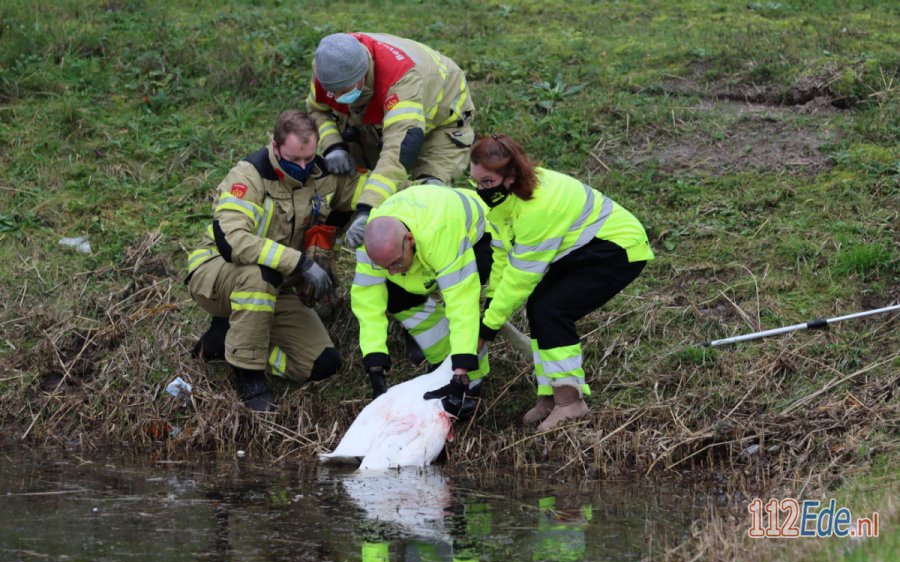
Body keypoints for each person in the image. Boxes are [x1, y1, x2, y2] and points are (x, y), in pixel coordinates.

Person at [470, 134, 654, 432]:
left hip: (617, 250)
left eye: (487, 183)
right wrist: (491, 303)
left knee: (552, 310)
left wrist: (487, 329)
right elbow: (503, 255)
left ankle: (571, 403)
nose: (481, 190)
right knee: (540, 306)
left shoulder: (537, 207)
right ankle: (551, 396)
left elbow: (520, 278)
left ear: (511, 174)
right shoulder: (504, 200)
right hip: (582, 250)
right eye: (476, 182)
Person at [186, 110, 366, 411]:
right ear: (276, 145)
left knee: (322, 364)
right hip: (217, 274)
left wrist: (366, 204)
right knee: (259, 275)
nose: (302, 168)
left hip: (275, 289)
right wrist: (302, 264)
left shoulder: (321, 175)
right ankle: (248, 374)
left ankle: (227, 340)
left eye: (309, 159)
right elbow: (232, 242)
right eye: (294, 160)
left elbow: (376, 187)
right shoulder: (249, 176)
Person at [306, 32, 476, 249]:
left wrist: (368, 210)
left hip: (442, 124)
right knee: (356, 174)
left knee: (427, 194)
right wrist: (333, 146)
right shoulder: (327, 64)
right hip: (375, 123)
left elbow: (400, 150)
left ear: (362, 73)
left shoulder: (401, 80)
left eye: (344, 91)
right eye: (333, 91)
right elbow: (317, 110)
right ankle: (343, 219)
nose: (337, 97)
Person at [350, 185, 495, 418]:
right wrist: (375, 366)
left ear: (410, 240)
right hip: (422, 254)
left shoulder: (441, 232)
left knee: (455, 298)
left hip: (478, 238)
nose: (393, 272)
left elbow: (462, 304)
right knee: (395, 297)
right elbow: (368, 306)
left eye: (396, 263)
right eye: (386, 268)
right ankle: (440, 360)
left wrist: (461, 371)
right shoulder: (371, 246)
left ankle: (474, 379)